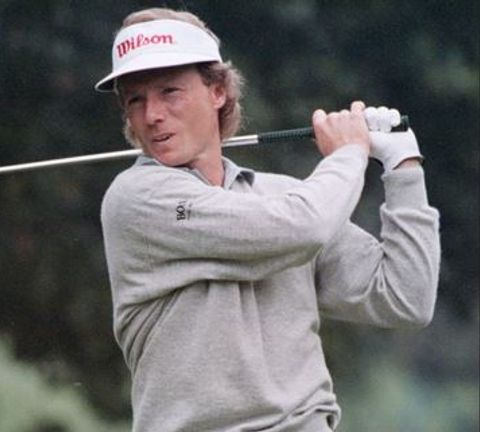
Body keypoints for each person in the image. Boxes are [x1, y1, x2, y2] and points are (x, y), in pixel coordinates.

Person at [97, 8, 440, 432]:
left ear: (218, 90)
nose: (152, 115)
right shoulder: (136, 201)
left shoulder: (280, 197)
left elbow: (405, 298)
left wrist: (404, 168)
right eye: (135, 99)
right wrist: (350, 153)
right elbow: (302, 226)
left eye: (170, 91)